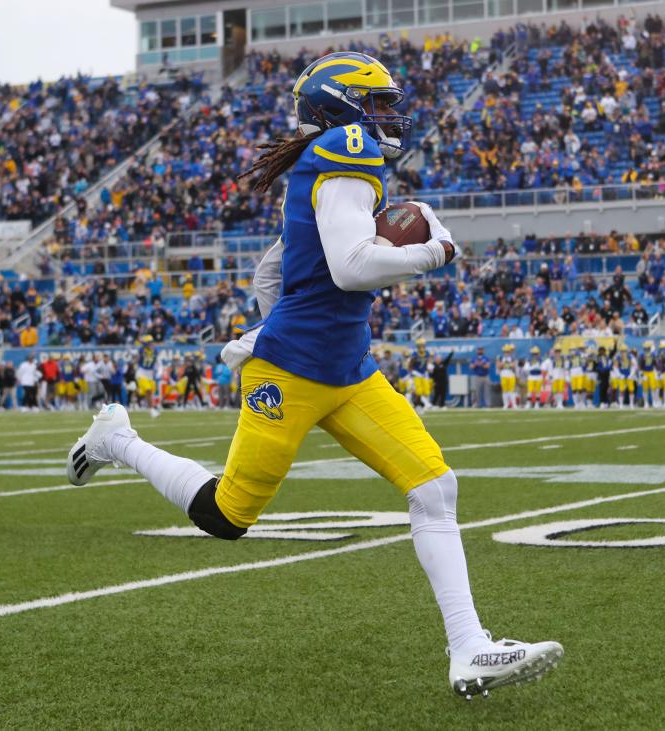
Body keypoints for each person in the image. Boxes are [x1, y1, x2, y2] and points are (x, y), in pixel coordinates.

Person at [66, 52, 560, 699]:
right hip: (295, 370)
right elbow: (352, 267)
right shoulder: (344, 151)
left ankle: (469, 647)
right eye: (377, 101)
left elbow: (276, 270)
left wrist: (288, 316)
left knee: (435, 486)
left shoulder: (332, 162)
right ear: (342, 106)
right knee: (228, 515)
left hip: (347, 366)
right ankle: (117, 440)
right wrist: (430, 252)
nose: (389, 113)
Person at [497, 343, 518, 409]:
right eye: (505, 351)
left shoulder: (513, 357)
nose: (507, 353)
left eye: (508, 351)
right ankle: (505, 404)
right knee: (505, 390)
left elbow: (514, 366)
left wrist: (506, 364)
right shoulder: (500, 357)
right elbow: (499, 366)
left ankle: (514, 404)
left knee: (511, 390)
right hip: (503, 374)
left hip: (511, 374)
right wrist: (506, 364)